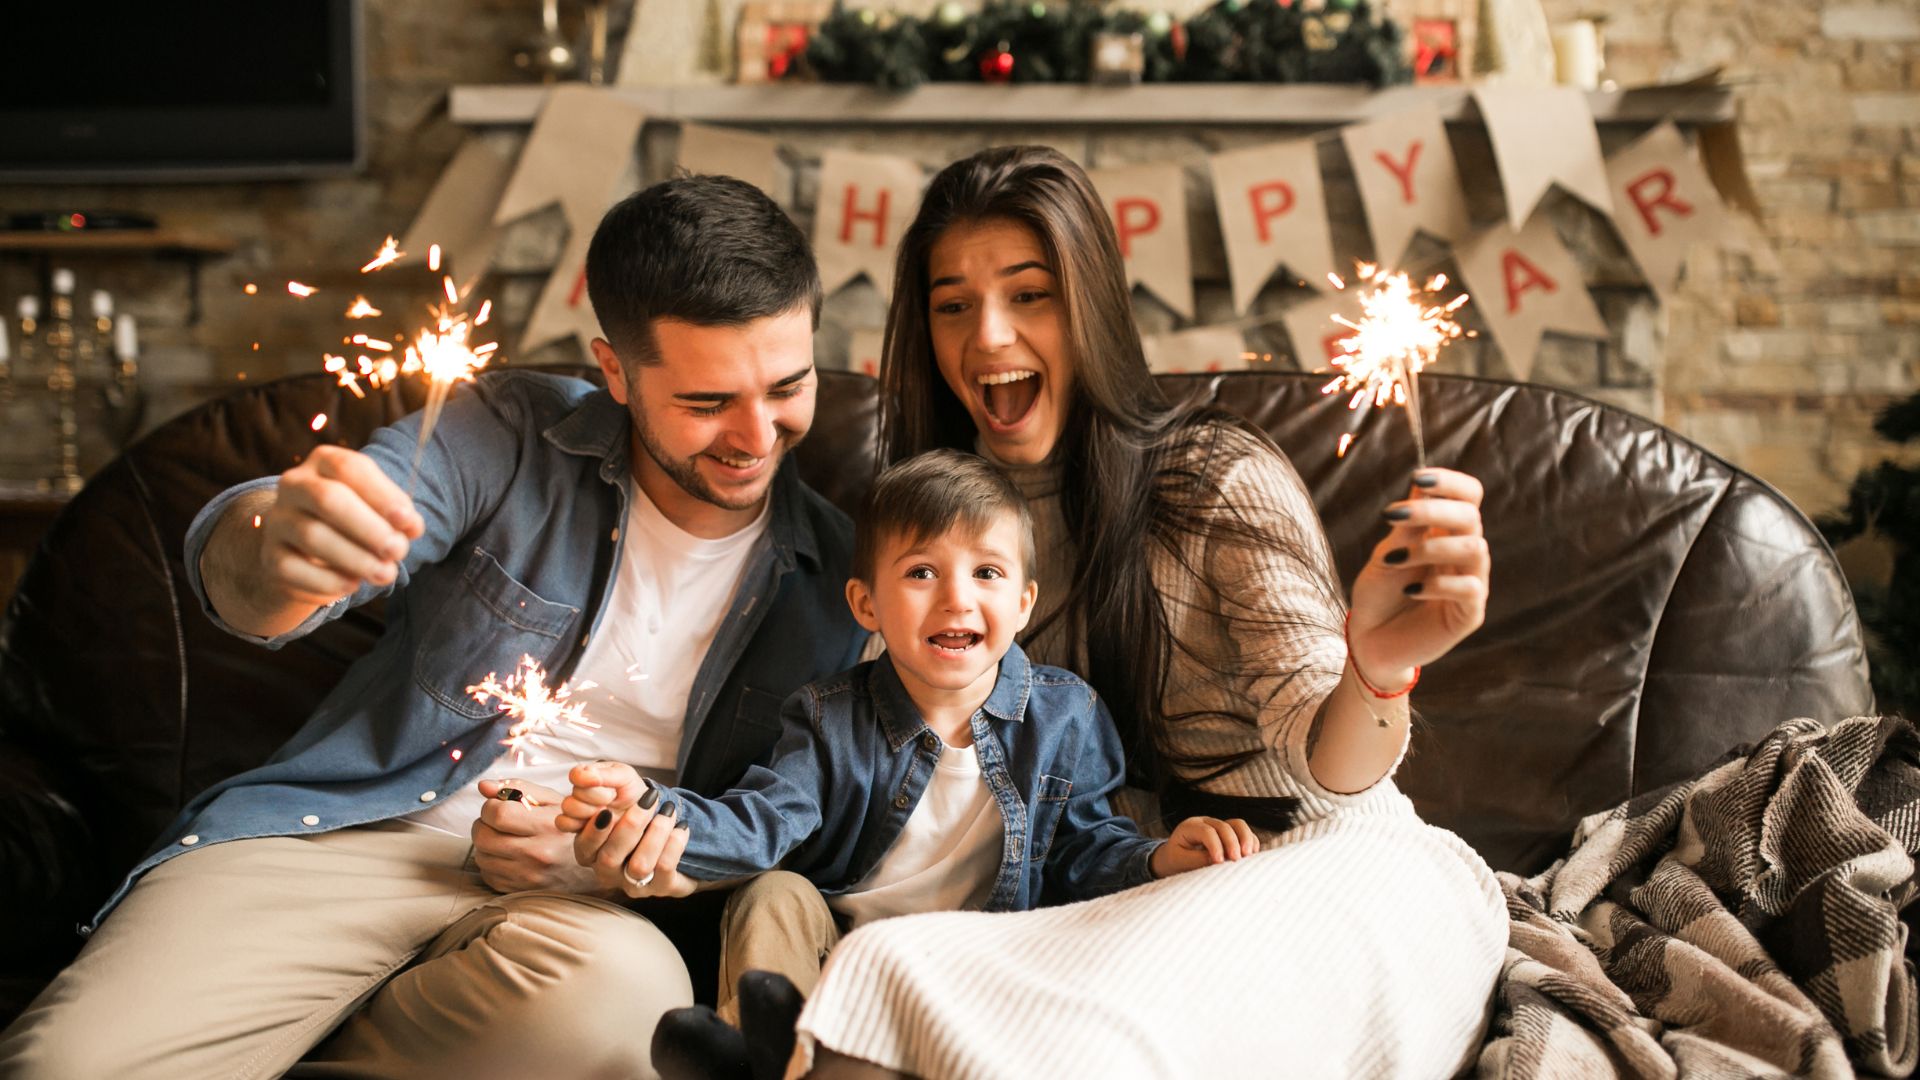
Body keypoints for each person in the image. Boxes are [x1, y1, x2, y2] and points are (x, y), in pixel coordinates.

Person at [592, 145, 1507, 1078]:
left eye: (1029, 294)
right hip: (1113, 909)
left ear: (1089, 305)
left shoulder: (1212, 477)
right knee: (895, 971)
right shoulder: (923, 522)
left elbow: (1331, 774)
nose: (988, 337)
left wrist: (1376, 668)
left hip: (1318, 866)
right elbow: (835, 791)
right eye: (953, 305)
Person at [0, 175, 868, 1080]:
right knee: (64, 1069)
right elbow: (262, 573)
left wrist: (620, 860)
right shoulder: (503, 430)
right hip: (348, 839)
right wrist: (277, 544)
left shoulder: (845, 580)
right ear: (614, 372)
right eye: (706, 402)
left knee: (628, 1008)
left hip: (579, 909)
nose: (756, 436)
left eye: (787, 387)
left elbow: (802, 824)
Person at [562, 449, 1261, 1079]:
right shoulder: (829, 717)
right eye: (922, 572)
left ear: (1023, 604)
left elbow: (1086, 849)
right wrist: (653, 809)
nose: (957, 597)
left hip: (982, 958)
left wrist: (1160, 857)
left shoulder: (1066, 715)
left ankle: (796, 1064)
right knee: (773, 894)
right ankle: (764, 1049)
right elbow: (764, 821)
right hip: (842, 953)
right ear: (866, 604)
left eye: (986, 573)